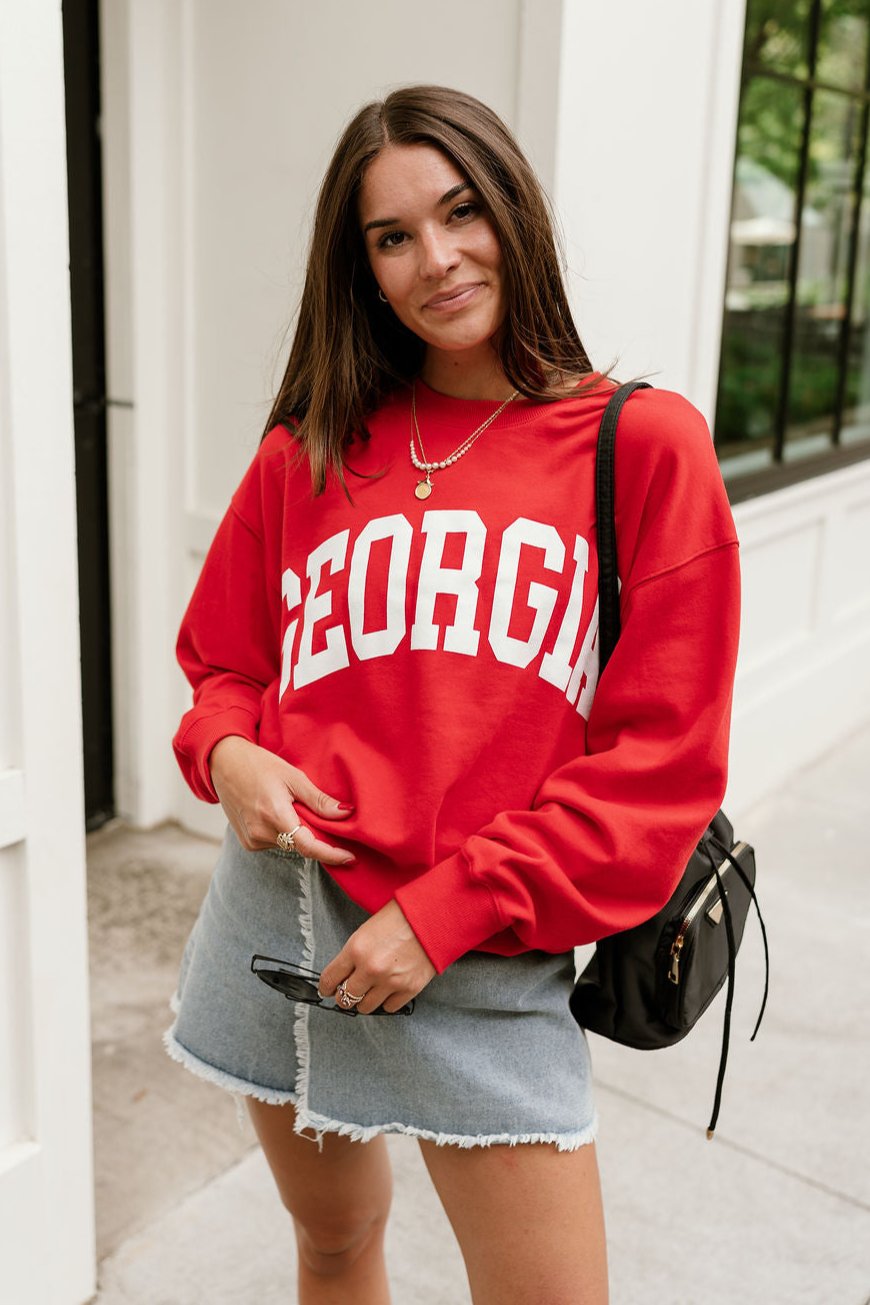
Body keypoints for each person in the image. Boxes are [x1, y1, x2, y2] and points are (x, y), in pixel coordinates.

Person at [165, 84, 740, 1305]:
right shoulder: (313, 445)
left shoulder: (641, 449)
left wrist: (445, 911)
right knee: (331, 1248)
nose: (437, 259)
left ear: (513, 213)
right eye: (391, 236)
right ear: (361, 268)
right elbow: (222, 664)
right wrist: (228, 755)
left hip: (479, 959)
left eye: (462, 212)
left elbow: (662, 768)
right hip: (283, 929)